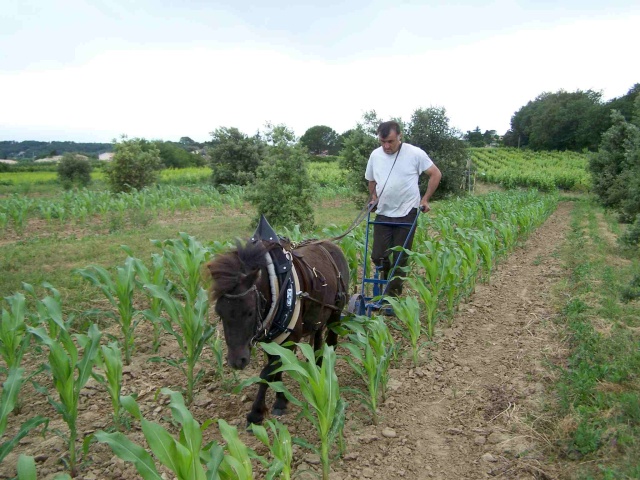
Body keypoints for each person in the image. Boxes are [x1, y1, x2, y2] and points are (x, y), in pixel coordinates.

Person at [365, 121, 442, 297]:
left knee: (400, 259)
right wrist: (374, 198)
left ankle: (392, 297)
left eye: (390, 141)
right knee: (378, 256)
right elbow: (371, 180)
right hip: (383, 212)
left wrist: (425, 199)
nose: (386, 146)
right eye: (382, 141)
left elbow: (435, 174)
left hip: (407, 213)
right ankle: (386, 282)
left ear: (400, 136)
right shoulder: (375, 156)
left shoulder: (414, 153)